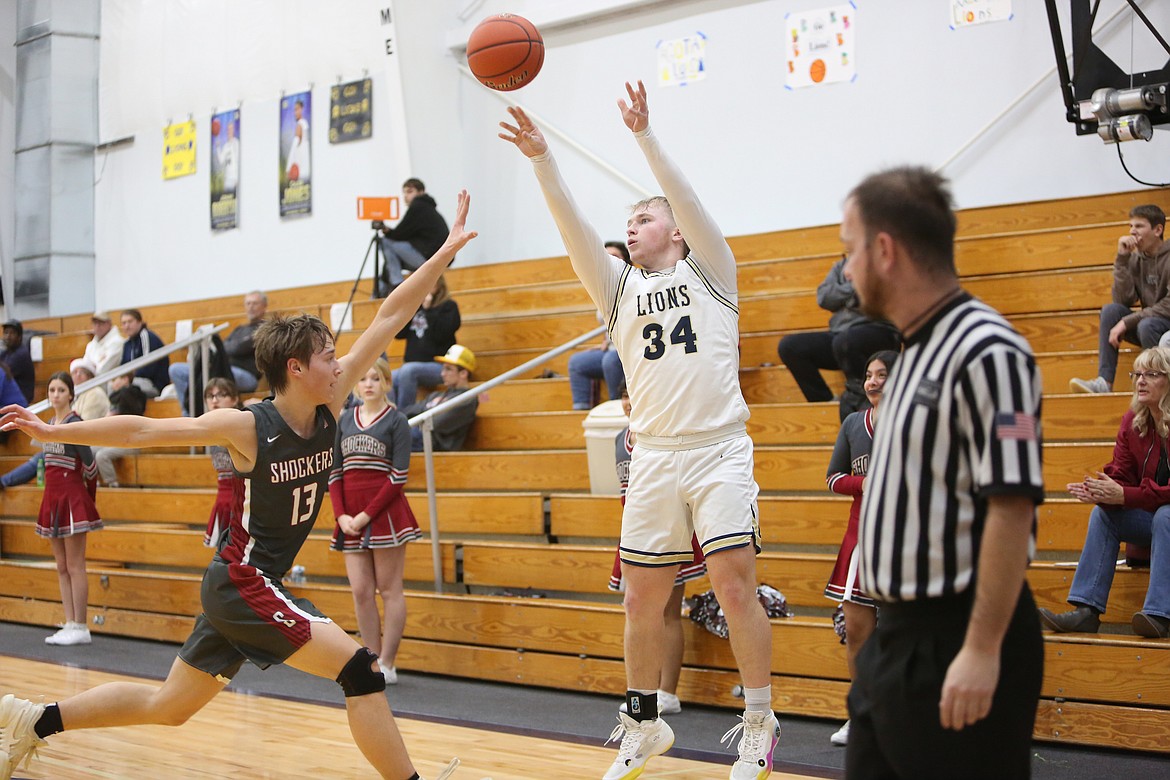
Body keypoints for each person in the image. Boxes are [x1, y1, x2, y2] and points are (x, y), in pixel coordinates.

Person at [0, 190, 475, 780]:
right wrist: (53, 430)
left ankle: (31, 721)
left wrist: (444, 253)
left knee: (167, 706)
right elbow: (147, 428)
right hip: (243, 581)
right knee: (359, 669)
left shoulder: (330, 399)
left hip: (249, 583)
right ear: (296, 369)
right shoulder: (251, 426)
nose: (340, 364)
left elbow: (390, 315)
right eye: (328, 356)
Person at [500, 82, 779, 780]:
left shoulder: (713, 270)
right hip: (653, 455)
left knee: (733, 584)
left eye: (646, 216)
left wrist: (645, 138)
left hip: (718, 449)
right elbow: (570, 228)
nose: (633, 223)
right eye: (629, 217)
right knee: (640, 596)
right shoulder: (618, 288)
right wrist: (542, 161)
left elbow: (683, 198)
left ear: (677, 230)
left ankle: (759, 724)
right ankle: (644, 723)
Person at [841, 166, 1044, 780]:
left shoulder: (990, 350)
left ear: (884, 250)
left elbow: (1013, 509)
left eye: (849, 250)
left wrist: (981, 650)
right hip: (892, 638)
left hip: (957, 635)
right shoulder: (907, 357)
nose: (845, 269)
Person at [1039, 346, 1170, 638]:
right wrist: (1101, 489)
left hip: (1165, 519)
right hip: (1156, 520)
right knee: (1103, 516)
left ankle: (1160, 615)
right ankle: (1087, 610)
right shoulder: (1132, 421)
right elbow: (1121, 472)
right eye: (1137, 374)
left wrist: (1126, 496)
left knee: (1165, 515)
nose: (1140, 381)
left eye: (1151, 374)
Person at [609, 382, 704, 718]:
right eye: (623, 396)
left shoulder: (664, 433)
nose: (628, 402)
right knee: (638, 611)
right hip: (635, 534)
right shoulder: (619, 441)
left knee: (668, 613)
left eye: (633, 394)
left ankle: (667, 692)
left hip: (668, 532)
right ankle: (643, 690)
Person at [821, 349, 898, 748]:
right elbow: (833, 478)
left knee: (903, 633)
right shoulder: (853, 423)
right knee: (857, 632)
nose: (871, 382)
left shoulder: (915, 423)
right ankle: (861, 712)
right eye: (868, 375)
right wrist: (861, 484)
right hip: (860, 540)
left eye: (881, 374)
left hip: (905, 540)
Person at [329, 358, 421, 686]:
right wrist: (341, 515)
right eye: (363, 378)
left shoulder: (397, 420)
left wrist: (366, 515)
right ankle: (371, 657)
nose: (369, 384)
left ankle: (389, 661)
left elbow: (398, 476)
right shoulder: (344, 420)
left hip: (385, 514)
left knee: (389, 588)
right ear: (355, 385)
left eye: (376, 378)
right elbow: (335, 472)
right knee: (360, 590)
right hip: (349, 515)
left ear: (386, 383)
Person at [777, 259, 900, 420]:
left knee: (845, 341)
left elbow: (877, 292)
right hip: (840, 334)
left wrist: (842, 293)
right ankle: (824, 401)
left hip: (879, 330)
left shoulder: (882, 261)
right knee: (790, 346)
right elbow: (824, 297)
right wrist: (854, 289)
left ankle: (863, 404)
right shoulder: (841, 265)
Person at [1070, 204, 1170, 394]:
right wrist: (1122, 259)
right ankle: (1104, 383)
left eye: (1139, 226)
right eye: (1130, 226)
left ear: (1158, 230)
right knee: (1110, 311)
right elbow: (1122, 299)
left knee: (1146, 325)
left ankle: (1155, 387)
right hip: (1149, 322)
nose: (1133, 231)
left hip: (1164, 326)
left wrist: (1127, 322)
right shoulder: (1135, 259)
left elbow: (1168, 305)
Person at [37, 371, 102, 647]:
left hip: (73, 499)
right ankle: (69, 621)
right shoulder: (48, 424)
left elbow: (91, 467)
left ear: (71, 394)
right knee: (61, 566)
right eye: (52, 390)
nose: (55, 395)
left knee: (75, 565)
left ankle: (81, 624)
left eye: (61, 390)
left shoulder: (76, 425)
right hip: (52, 500)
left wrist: (86, 502)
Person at [170, 291, 267, 415]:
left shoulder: (264, 328)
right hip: (225, 368)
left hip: (246, 376)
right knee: (176, 370)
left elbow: (234, 348)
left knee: (209, 369)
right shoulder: (239, 329)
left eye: (255, 303)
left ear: (264, 306)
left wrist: (230, 347)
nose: (251, 307)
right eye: (248, 303)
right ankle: (189, 414)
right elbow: (224, 346)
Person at [569, 242, 630, 410]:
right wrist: (605, 341)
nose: (609, 260)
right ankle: (581, 410)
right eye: (606, 256)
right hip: (611, 348)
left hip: (629, 349)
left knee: (610, 361)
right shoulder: (601, 287)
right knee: (577, 362)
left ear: (626, 261)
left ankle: (616, 408)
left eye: (615, 256)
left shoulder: (632, 283)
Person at [391, 276, 460, 409]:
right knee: (387, 378)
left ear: (439, 285)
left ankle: (403, 417)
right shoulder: (415, 307)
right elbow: (399, 334)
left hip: (439, 366)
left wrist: (428, 312)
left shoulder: (449, 306)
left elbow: (442, 334)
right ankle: (389, 417)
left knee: (408, 371)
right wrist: (410, 309)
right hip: (410, 366)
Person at [378, 178, 450, 296]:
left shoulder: (418, 206)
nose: (406, 196)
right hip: (434, 257)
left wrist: (387, 231)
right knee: (389, 262)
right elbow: (404, 234)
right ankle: (383, 290)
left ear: (421, 192)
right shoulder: (428, 208)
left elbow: (399, 234)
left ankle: (396, 284)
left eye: (410, 191)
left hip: (429, 258)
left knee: (385, 242)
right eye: (404, 192)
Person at [401, 345, 478, 453]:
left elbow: (435, 423)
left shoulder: (467, 399)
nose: (442, 374)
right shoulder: (436, 395)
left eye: (448, 369)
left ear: (463, 373)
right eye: (443, 368)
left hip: (432, 444)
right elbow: (408, 411)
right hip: (416, 436)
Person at [200, 378, 244, 549]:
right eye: (210, 396)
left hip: (242, 498)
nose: (214, 400)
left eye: (221, 395)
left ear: (234, 399)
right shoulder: (209, 429)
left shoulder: (243, 424)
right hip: (222, 498)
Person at [92, 375, 147, 488]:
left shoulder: (130, 396)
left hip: (131, 442)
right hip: (115, 440)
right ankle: (93, 481)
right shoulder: (116, 399)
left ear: (125, 379)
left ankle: (113, 485)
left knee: (101, 455)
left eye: (115, 379)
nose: (112, 383)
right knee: (89, 450)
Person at [118, 309, 169, 398]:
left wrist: (128, 379)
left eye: (130, 322)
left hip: (153, 384)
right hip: (134, 381)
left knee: (130, 388)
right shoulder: (127, 344)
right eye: (124, 323)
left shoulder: (147, 336)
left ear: (139, 322)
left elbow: (148, 368)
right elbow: (123, 367)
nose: (127, 326)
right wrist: (121, 379)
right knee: (112, 386)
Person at [1, 319, 35, 404]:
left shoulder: (21, 355)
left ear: (19, 337)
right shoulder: (6, 352)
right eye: (6, 333)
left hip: (20, 404)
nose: (8, 336)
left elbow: (3, 373)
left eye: (12, 333)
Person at [83, 311, 124, 379]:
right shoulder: (90, 345)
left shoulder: (117, 342)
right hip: (90, 383)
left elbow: (103, 369)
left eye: (101, 323)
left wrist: (92, 368)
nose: (97, 326)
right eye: (95, 323)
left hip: (108, 383)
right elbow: (84, 368)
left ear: (109, 324)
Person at [285, 98, 311, 182]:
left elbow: (294, 147)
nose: (295, 113)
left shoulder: (300, 125)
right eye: (294, 110)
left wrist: (288, 168)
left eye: (297, 109)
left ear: (301, 109)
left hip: (301, 171)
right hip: (306, 169)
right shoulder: (306, 125)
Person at [218, 118, 240, 193]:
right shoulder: (225, 146)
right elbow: (221, 161)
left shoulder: (236, 143)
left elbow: (239, 160)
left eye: (231, 129)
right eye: (228, 129)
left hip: (235, 178)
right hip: (227, 179)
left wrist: (238, 178)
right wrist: (218, 148)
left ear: (233, 130)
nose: (229, 131)